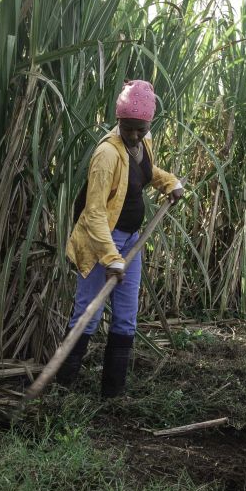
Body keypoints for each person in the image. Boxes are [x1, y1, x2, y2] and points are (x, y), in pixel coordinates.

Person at [57, 80, 184, 397]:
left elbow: (147, 171)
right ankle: (61, 391)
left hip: (132, 240)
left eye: (141, 129)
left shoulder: (143, 143)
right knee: (88, 313)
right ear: (120, 121)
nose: (135, 135)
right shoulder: (106, 154)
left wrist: (170, 183)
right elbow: (94, 212)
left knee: (126, 318)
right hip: (101, 240)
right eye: (129, 129)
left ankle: (112, 395)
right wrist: (111, 257)